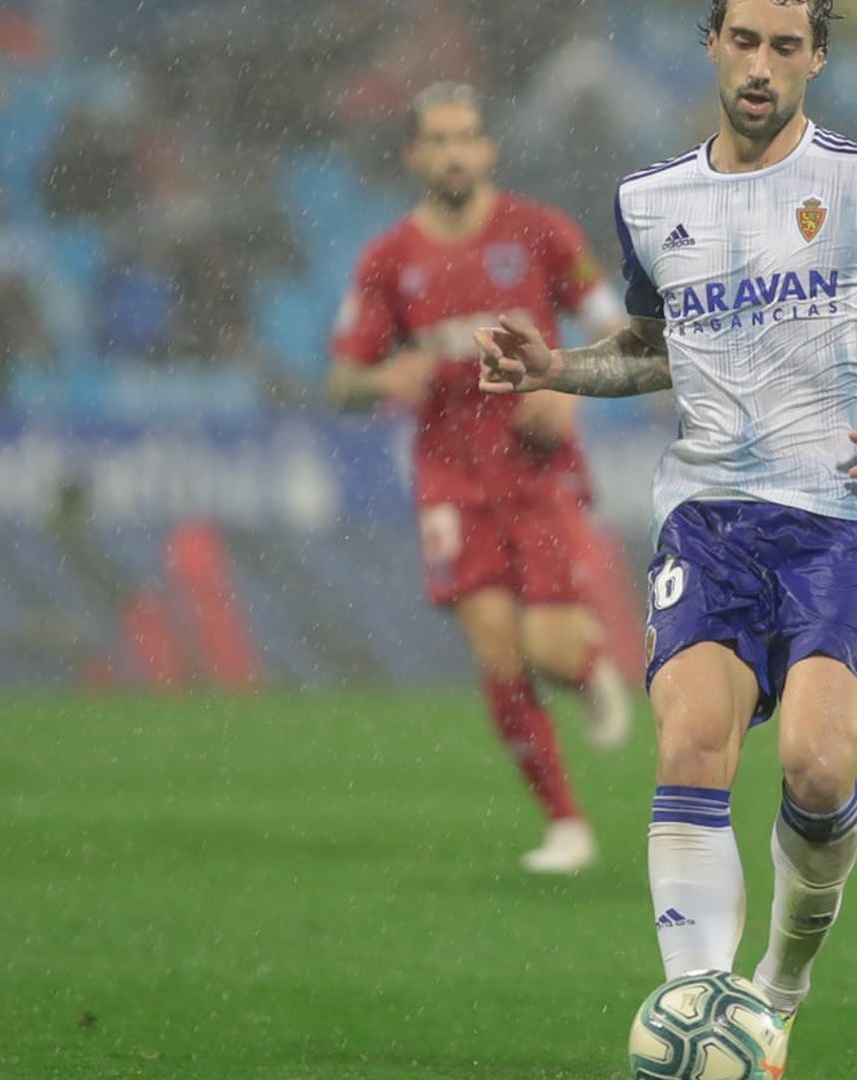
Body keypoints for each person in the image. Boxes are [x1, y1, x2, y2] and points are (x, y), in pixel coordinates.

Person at [476, 0, 857, 1066]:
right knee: (690, 741)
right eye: (744, 42)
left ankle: (778, 984)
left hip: (848, 516)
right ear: (712, 43)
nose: (761, 66)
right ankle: (700, 1018)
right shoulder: (651, 200)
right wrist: (558, 369)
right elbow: (661, 347)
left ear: (817, 58)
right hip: (709, 516)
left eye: (785, 47)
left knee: (813, 765)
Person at [327, 82, 633, 875]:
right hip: (451, 482)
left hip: (538, 475)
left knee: (550, 647)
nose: (455, 151)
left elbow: (617, 333)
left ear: (487, 148)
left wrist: (566, 393)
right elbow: (341, 381)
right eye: (440, 139)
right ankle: (566, 823)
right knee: (497, 653)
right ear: (417, 156)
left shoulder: (542, 234)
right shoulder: (388, 260)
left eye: (467, 136)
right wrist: (386, 377)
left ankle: (588, 669)